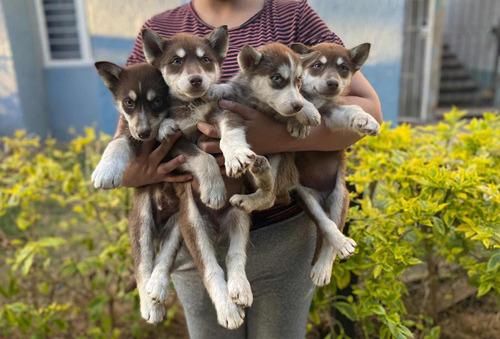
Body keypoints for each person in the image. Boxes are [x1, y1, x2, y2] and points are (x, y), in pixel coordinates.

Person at [118, 0, 382, 338]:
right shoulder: (162, 28)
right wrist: (145, 171)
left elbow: (370, 110)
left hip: (283, 239)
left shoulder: (292, 15)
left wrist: (273, 137)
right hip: (198, 237)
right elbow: (130, 134)